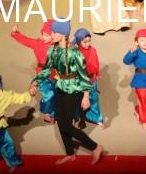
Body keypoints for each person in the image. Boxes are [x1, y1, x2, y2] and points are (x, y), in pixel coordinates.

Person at [32, 20, 105, 165]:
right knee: (61, 122)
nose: (51, 35)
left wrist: (86, 96)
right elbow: (46, 70)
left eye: (54, 32)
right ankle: (70, 153)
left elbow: (83, 75)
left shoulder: (75, 52)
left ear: (63, 34)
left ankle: (95, 147)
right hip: (60, 87)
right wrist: (35, 82)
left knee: (66, 125)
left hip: (74, 90)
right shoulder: (52, 50)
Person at [11, 22, 56, 123]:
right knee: (48, 94)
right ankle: (46, 112)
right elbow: (26, 40)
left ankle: (54, 111)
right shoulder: (38, 43)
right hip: (42, 73)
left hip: (56, 74)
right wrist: (16, 34)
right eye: (43, 34)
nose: (44, 37)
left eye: (47, 35)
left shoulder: (58, 45)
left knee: (56, 93)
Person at [74, 28, 104, 127]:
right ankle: (77, 118)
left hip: (92, 80)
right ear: (79, 42)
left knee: (94, 99)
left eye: (89, 41)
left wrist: (97, 73)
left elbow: (96, 62)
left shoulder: (93, 50)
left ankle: (96, 117)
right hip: (80, 81)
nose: (88, 44)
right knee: (79, 101)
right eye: (85, 42)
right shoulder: (75, 52)